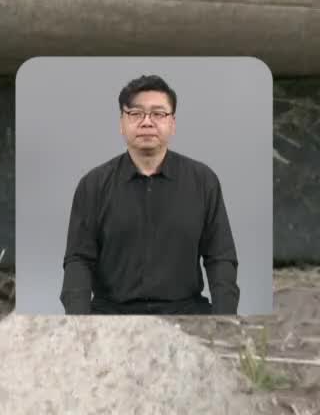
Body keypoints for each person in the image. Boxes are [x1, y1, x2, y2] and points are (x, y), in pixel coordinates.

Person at [60, 74, 241, 315]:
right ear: (121, 124)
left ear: (173, 123)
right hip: (111, 316)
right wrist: (78, 324)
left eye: (158, 114)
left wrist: (224, 319)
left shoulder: (203, 181)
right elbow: (78, 261)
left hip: (185, 313)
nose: (147, 122)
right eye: (136, 114)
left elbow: (220, 258)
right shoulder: (93, 185)